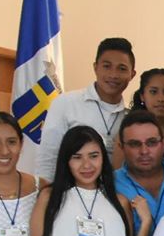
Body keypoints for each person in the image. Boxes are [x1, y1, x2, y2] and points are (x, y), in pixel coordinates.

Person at [37, 38, 136, 180]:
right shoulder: (66, 103)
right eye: (107, 66)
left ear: (132, 74)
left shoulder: (130, 115)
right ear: (95, 67)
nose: (113, 75)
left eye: (122, 69)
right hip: (70, 194)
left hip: (117, 196)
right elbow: (48, 157)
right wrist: (47, 195)